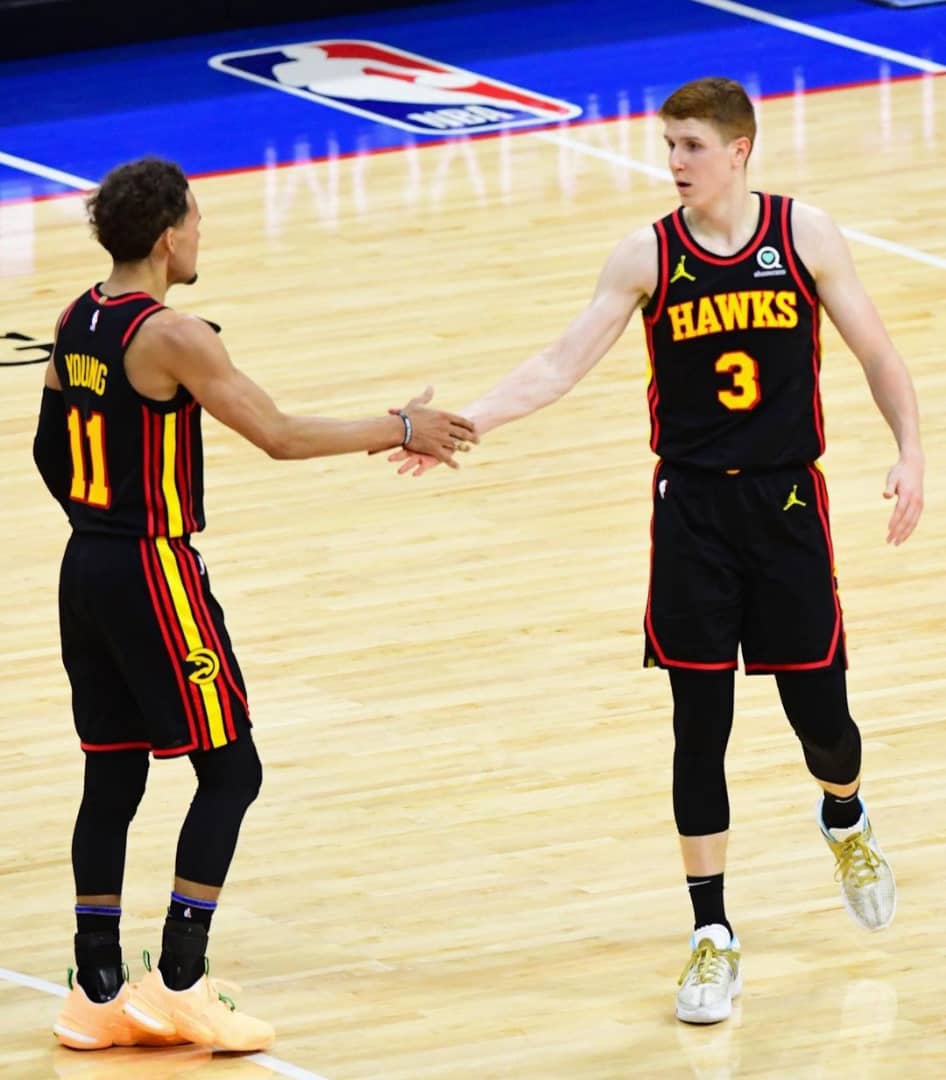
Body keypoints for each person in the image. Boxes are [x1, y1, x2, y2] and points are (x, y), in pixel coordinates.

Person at [388, 77, 923, 1025]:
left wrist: (910, 451)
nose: (673, 163)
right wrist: (462, 424)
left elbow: (879, 351)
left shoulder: (804, 235)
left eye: (690, 146)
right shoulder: (647, 255)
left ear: (739, 150)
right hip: (691, 516)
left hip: (787, 507)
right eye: (668, 145)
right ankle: (712, 933)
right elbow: (559, 363)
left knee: (823, 724)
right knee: (698, 726)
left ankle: (844, 813)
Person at [33, 156, 477, 1052]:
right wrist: (401, 426)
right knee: (232, 771)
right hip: (153, 569)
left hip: (85, 568)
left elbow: (49, 450)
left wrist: (99, 518)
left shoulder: (75, 317)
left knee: (112, 777)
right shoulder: (171, 335)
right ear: (168, 236)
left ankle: (95, 988)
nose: (200, 235)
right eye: (195, 222)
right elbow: (277, 434)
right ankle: (182, 979)